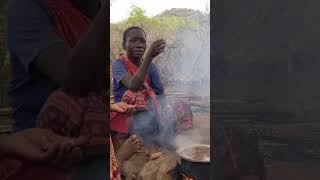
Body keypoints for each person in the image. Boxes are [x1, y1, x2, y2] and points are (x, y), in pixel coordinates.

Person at [7, 0, 108, 132]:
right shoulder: (27, 7)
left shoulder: (98, 11)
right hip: (44, 144)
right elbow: (74, 80)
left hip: (99, 135)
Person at [111, 26, 193, 145]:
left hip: (149, 108)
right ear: (124, 45)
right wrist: (149, 56)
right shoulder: (118, 64)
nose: (139, 45)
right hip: (127, 111)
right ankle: (154, 139)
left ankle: (162, 137)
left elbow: (160, 93)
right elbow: (133, 85)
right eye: (133, 40)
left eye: (142, 41)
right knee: (147, 121)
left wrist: (165, 110)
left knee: (180, 106)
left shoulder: (152, 67)